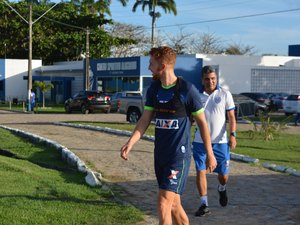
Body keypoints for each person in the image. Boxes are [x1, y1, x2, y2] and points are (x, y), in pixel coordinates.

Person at [120, 46, 217, 225]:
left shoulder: (187, 90)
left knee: (163, 202)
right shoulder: (154, 89)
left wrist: (210, 153)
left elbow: (203, 123)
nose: (149, 67)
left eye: (151, 63)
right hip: (160, 156)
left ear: (162, 66)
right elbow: (145, 119)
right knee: (174, 205)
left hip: (178, 157)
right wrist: (130, 142)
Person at [192, 65, 237, 217]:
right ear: (202, 80)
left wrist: (233, 135)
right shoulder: (196, 95)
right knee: (200, 170)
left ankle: (222, 188)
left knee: (223, 175)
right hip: (199, 142)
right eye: (207, 79)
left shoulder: (225, 94)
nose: (210, 82)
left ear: (216, 78)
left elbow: (231, 117)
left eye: (213, 79)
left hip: (221, 142)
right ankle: (204, 203)